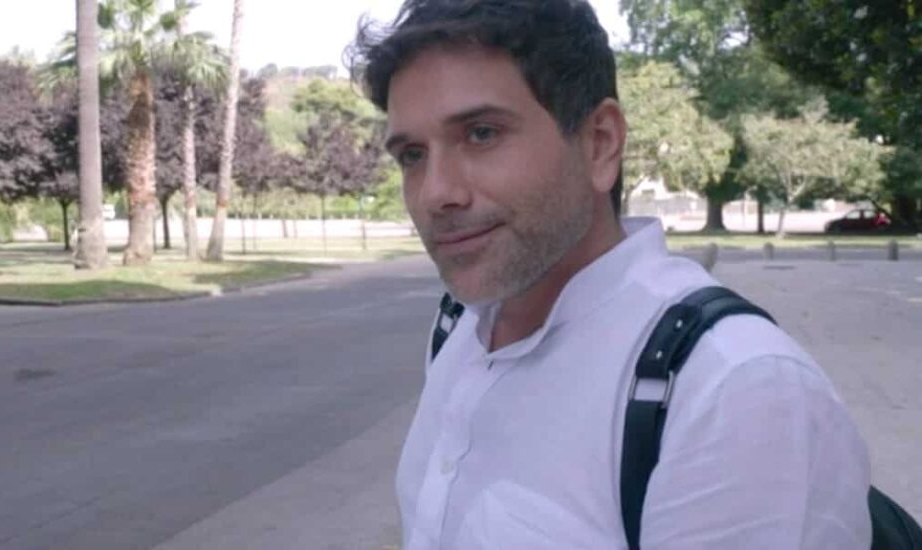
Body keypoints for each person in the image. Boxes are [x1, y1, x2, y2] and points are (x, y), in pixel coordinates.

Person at [348, 1, 871, 548]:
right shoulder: (457, 329)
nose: (436, 193)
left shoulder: (731, 391)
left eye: (481, 134)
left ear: (600, 143)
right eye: (412, 155)